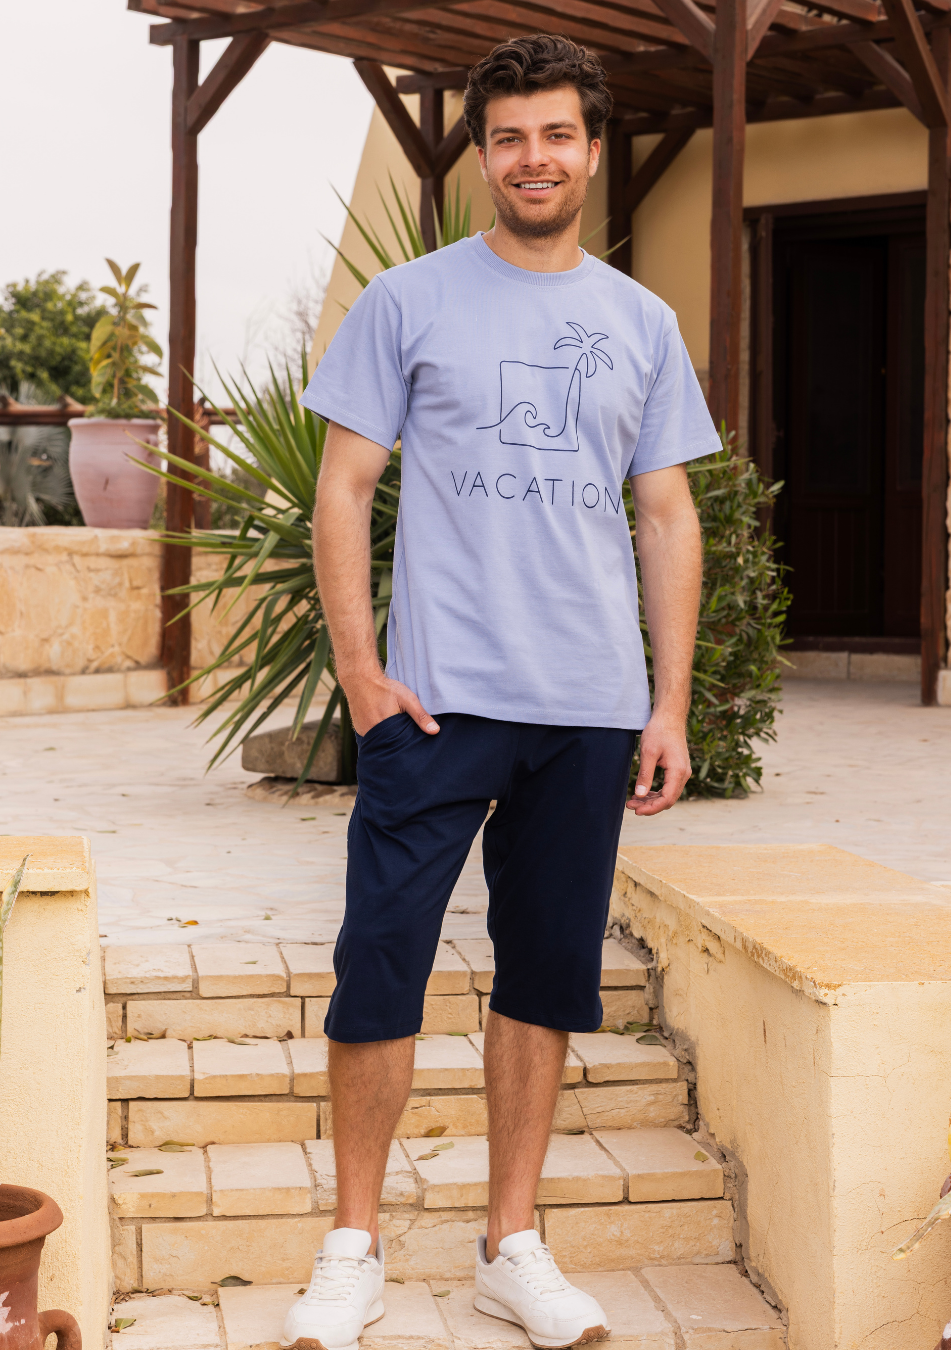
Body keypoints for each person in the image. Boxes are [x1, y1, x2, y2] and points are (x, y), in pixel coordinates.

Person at [281, 32, 718, 1350]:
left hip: (588, 708)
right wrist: (359, 669)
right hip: (434, 702)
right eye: (511, 136)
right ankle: (352, 1248)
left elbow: (667, 514)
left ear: (591, 149)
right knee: (381, 964)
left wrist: (669, 704)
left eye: (557, 134)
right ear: (483, 153)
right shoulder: (408, 302)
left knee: (546, 976)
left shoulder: (642, 323)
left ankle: (510, 1246)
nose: (535, 158)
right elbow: (343, 486)